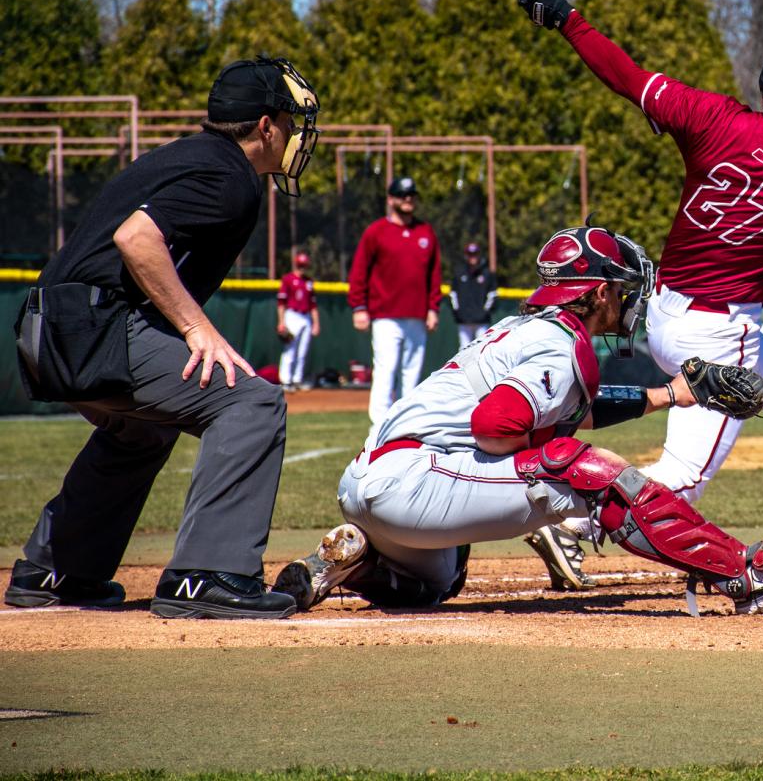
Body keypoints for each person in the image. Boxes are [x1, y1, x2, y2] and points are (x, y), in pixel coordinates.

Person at [515, 0, 763, 582]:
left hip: (665, 313)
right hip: (718, 333)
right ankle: (568, 524)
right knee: (682, 477)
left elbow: (626, 76)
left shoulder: (711, 117)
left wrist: (569, 22)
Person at [274, 225, 763, 615]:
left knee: (437, 581)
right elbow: (497, 425)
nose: (629, 298)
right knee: (584, 470)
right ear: (599, 291)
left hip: (377, 482)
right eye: (622, 287)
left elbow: (558, 411)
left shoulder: (529, 330)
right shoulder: (561, 345)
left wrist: (673, 394)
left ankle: (352, 561)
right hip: (412, 482)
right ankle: (742, 569)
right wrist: (551, 457)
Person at [6, 56, 321, 619]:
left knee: (139, 432)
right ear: (266, 126)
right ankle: (207, 575)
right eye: (290, 123)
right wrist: (196, 327)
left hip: (48, 328)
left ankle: (55, 570)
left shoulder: (191, 155)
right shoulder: (231, 177)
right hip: (93, 329)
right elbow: (136, 237)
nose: (296, 136)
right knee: (253, 401)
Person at [348, 176, 443, 425]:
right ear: (391, 199)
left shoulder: (425, 232)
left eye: (411, 195)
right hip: (385, 315)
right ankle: (379, 427)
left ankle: (405, 425)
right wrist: (359, 306)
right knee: (386, 371)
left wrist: (433, 308)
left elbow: (435, 274)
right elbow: (359, 271)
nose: (408, 199)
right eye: (402, 195)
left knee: (411, 374)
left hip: (417, 315)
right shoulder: (376, 232)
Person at [276, 251, 320, 390]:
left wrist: (316, 323)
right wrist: (281, 321)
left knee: (303, 351)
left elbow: (313, 305)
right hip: (292, 315)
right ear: (296, 264)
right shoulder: (288, 279)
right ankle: (286, 380)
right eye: (300, 265)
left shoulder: (308, 282)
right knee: (290, 349)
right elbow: (281, 303)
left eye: (304, 265)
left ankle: (297, 379)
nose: (302, 268)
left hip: (306, 317)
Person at [449, 241, 498, 348]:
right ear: (466, 255)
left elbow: (493, 295)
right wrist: (458, 312)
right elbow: (453, 294)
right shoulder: (460, 272)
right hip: (464, 319)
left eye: (475, 254)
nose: (473, 257)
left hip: (481, 320)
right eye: (470, 254)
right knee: (463, 349)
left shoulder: (486, 274)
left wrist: (485, 312)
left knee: (481, 348)